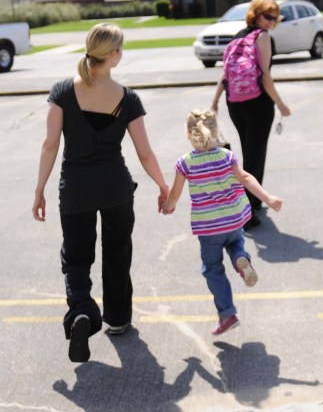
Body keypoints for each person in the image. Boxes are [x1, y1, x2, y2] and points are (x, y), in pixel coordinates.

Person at [33, 23, 169, 363]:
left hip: (75, 190)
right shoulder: (128, 98)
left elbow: (50, 145)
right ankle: (118, 319)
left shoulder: (63, 91)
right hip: (116, 188)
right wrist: (164, 186)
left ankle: (81, 310)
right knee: (117, 251)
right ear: (113, 54)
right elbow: (145, 153)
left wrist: (39, 190)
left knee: (76, 256)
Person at [161, 109, 284, 335]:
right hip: (234, 220)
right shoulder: (227, 156)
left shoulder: (185, 163)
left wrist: (168, 206)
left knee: (213, 269)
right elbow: (246, 177)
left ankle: (227, 314)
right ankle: (239, 258)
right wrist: (268, 198)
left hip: (209, 228)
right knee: (235, 243)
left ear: (189, 134)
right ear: (216, 131)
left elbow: (176, 194)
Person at [211, 0, 291, 229]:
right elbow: (265, 77)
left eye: (275, 19)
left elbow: (225, 74)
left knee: (249, 153)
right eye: (268, 17)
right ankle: (246, 212)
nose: (271, 22)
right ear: (255, 14)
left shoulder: (236, 37)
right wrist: (281, 103)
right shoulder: (263, 37)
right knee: (255, 158)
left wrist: (215, 101)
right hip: (258, 105)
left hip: (234, 103)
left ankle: (254, 201)